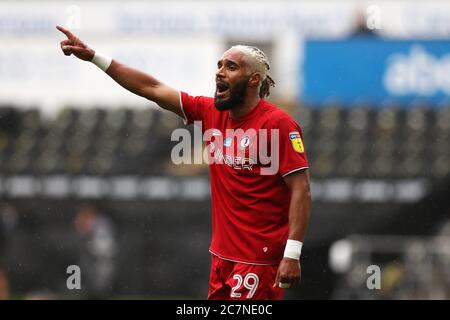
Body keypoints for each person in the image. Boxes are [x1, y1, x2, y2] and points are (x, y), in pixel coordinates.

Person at [57, 25, 312, 300]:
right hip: (222, 259)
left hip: (259, 261)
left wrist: (292, 254)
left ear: (253, 80)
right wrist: (95, 57)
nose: (220, 71)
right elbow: (151, 88)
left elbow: (301, 189)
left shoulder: (279, 124)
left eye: (231, 66)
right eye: (219, 65)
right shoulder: (210, 112)